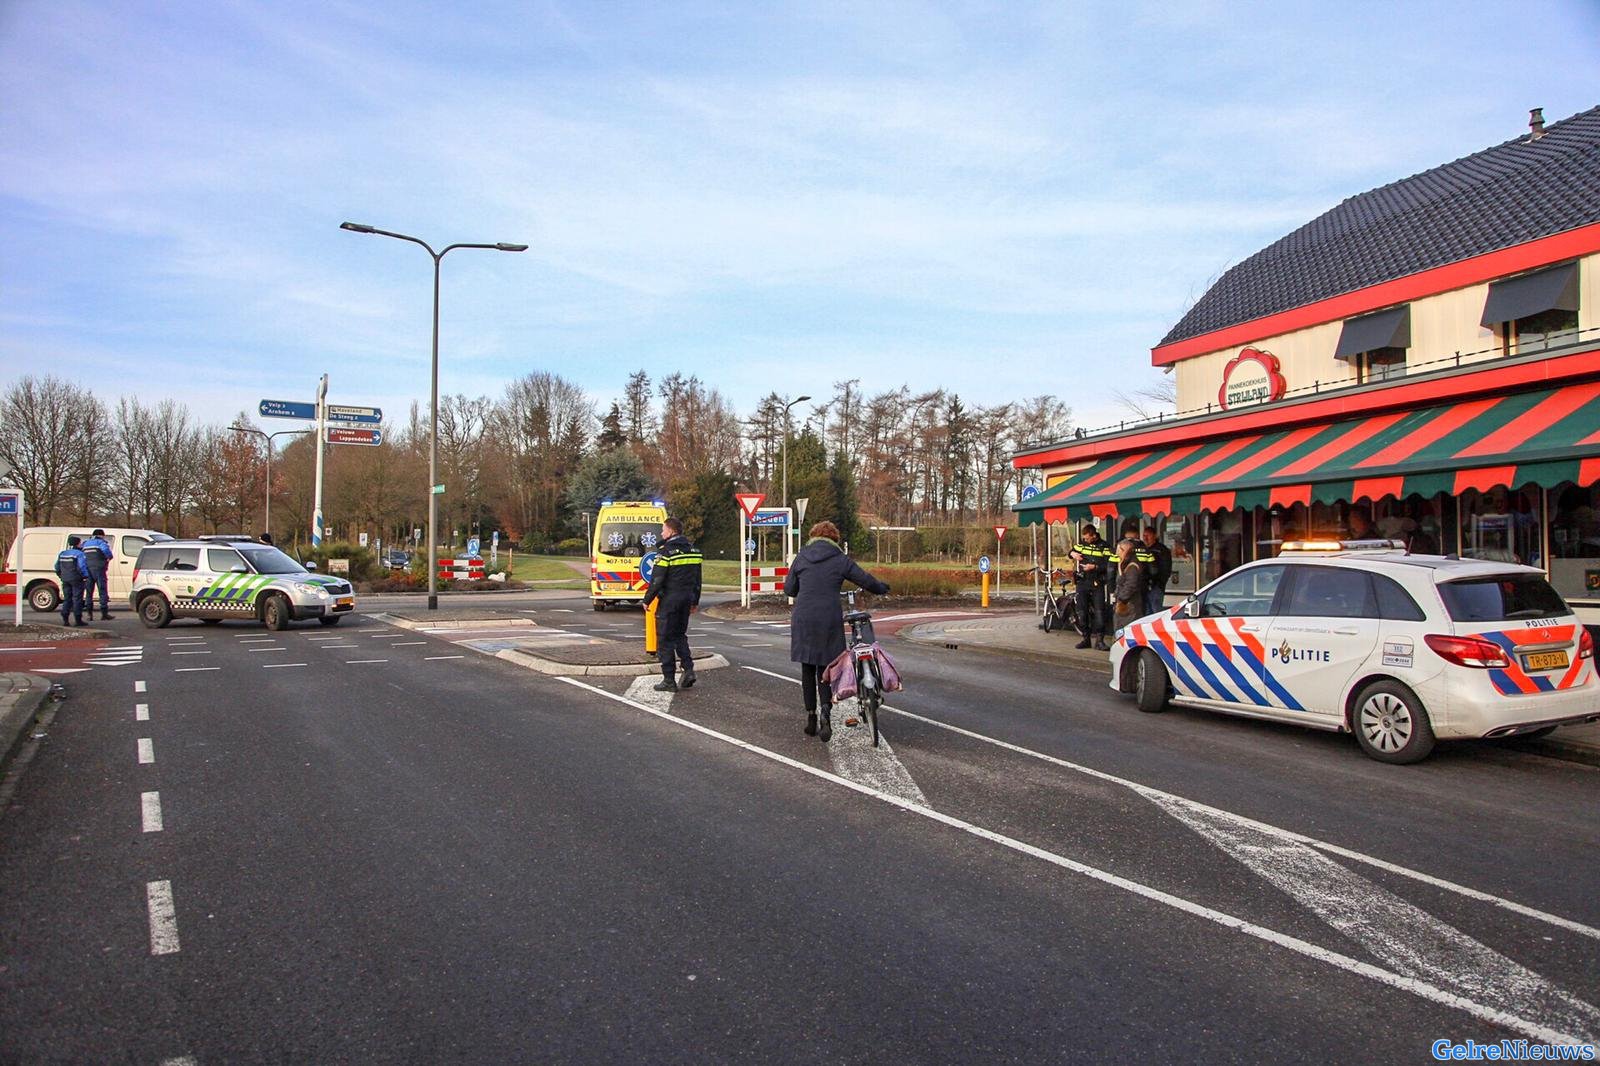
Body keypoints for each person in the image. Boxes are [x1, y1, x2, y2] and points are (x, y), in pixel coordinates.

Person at [784, 520, 889, 742]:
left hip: (804, 617)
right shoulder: (839, 559)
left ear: (813, 536)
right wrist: (881, 587)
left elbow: (789, 588)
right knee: (825, 668)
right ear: (834, 539)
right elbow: (864, 579)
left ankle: (811, 717)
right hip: (827, 618)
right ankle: (825, 715)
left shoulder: (801, 557)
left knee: (807, 667)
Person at [641, 516, 702, 692]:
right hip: (686, 600)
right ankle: (688, 669)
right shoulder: (694, 551)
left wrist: (647, 600)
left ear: (671, 531)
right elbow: (698, 580)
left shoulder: (665, 552)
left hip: (669, 601)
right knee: (680, 635)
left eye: (663, 529)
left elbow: (657, 580)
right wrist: (695, 601)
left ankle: (669, 680)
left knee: (665, 639)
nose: (661, 532)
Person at [1069, 523, 1114, 651]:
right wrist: (1074, 554)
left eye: (1087, 538)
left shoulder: (1104, 546)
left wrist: (1094, 567)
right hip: (1082, 582)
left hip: (1097, 582)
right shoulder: (1082, 544)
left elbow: (1109, 564)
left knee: (1099, 612)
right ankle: (1085, 639)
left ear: (1094, 535)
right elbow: (1071, 551)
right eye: (1084, 538)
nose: (1085, 540)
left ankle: (1100, 641)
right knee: (1082, 612)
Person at [1135, 526, 1172, 617]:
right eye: (1144, 535)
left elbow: (1166, 569)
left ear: (1155, 536)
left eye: (1148, 535)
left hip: (1156, 587)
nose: (1145, 538)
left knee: (1156, 613)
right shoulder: (1142, 549)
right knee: (1145, 614)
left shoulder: (1162, 550)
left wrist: (1159, 584)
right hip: (1143, 586)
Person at [54, 535, 91, 627]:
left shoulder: (62, 553)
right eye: (80, 543)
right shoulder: (79, 554)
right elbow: (82, 566)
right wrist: (85, 576)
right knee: (77, 599)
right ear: (77, 544)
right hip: (76, 579)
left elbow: (56, 566)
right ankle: (78, 620)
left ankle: (65, 619)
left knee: (67, 599)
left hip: (65, 579)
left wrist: (61, 575)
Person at [1112, 538, 1148, 633]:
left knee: (1127, 630)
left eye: (1118, 550)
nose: (1117, 553)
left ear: (1124, 550)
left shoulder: (1132, 566)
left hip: (1129, 604)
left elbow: (1131, 585)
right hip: (1125, 602)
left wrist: (1122, 600)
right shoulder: (1124, 563)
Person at [80, 528, 115, 620]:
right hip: (99, 569)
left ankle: (89, 615)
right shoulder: (101, 543)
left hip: (87, 570)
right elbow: (107, 552)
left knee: (89, 592)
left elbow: (81, 555)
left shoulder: (85, 543)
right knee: (102, 590)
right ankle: (104, 614)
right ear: (101, 535)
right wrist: (109, 558)